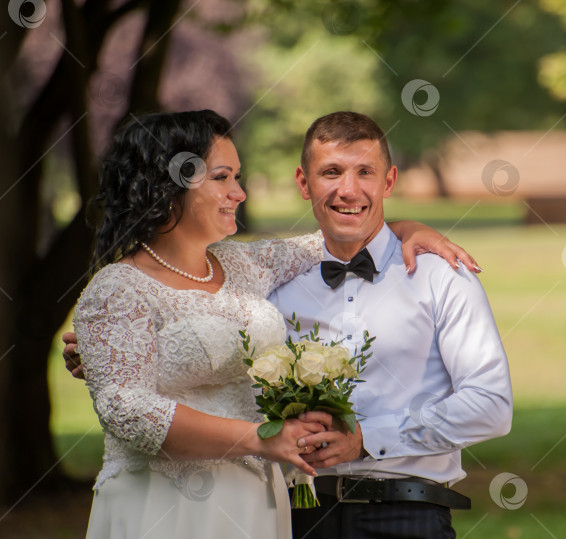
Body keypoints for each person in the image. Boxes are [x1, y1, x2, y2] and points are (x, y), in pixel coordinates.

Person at [69, 109, 477, 539]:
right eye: (222, 177)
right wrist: (257, 439)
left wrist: (409, 228)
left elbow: (345, 232)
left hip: (254, 503)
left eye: (238, 177)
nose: (240, 193)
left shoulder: (244, 264)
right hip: (165, 504)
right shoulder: (118, 288)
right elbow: (124, 410)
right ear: (169, 185)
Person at [271, 111, 513, 538]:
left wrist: (367, 437)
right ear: (303, 182)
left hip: (408, 516)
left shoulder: (442, 277)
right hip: (297, 517)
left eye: (365, 172)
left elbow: (490, 406)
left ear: (389, 181)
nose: (349, 189)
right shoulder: (274, 284)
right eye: (331, 172)